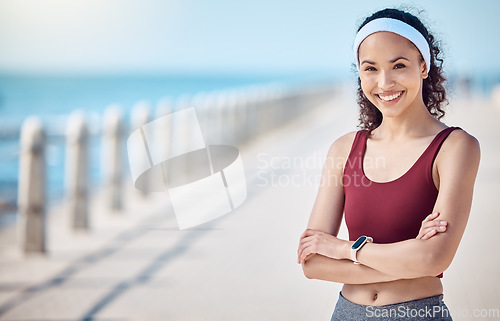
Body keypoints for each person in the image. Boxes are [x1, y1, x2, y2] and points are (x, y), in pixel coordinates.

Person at [296, 8, 480, 321]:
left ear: (423, 66)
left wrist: (344, 249)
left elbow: (435, 258)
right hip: (347, 313)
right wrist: (408, 258)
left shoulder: (455, 148)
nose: (384, 82)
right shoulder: (343, 150)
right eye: (370, 69)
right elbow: (312, 262)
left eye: (398, 65)